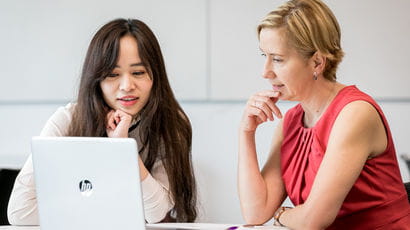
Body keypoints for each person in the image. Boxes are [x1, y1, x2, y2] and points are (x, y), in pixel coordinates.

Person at [237, 0, 410, 229]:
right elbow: (256, 213)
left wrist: (280, 215)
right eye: (264, 56)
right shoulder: (291, 122)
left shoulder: (355, 114)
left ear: (317, 62)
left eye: (277, 59)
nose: (265, 72)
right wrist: (245, 132)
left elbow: (313, 221)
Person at [8, 18, 197, 225]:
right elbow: (20, 212)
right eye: (113, 74)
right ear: (96, 79)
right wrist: (112, 211)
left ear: (156, 76)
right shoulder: (68, 120)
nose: (126, 85)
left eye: (138, 72)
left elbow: (156, 213)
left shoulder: (170, 125)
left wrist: (123, 147)